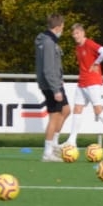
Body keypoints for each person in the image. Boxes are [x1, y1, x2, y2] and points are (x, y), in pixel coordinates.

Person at [60, 24, 103, 150]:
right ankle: (71, 141)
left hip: (92, 81)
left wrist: (96, 63)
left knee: (98, 110)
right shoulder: (78, 47)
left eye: (77, 33)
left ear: (83, 33)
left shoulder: (89, 44)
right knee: (77, 109)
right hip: (82, 82)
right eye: (73, 34)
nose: (75, 36)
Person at [36, 14, 68, 162]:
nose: (63, 30)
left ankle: (54, 144)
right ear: (57, 27)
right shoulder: (48, 43)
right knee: (54, 117)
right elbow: (48, 68)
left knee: (66, 110)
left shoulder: (48, 40)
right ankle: (48, 152)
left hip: (56, 82)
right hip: (51, 85)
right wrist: (55, 89)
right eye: (62, 27)